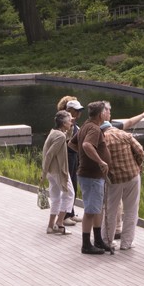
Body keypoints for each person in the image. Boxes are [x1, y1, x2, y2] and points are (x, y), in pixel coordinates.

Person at [73, 100, 114, 254]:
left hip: (92, 175)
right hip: (91, 176)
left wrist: (84, 158)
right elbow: (86, 145)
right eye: (106, 111)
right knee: (90, 210)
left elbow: (72, 143)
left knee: (96, 208)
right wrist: (100, 161)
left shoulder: (85, 126)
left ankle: (98, 240)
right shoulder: (94, 129)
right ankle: (86, 244)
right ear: (100, 114)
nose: (108, 113)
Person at [101, 121, 144, 252]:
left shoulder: (102, 139)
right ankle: (126, 243)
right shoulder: (125, 135)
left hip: (114, 179)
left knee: (111, 210)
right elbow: (140, 151)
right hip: (132, 176)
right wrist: (138, 165)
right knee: (131, 209)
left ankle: (107, 241)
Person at [41, 110, 75, 235]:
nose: (71, 122)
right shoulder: (60, 136)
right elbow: (50, 154)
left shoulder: (54, 133)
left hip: (51, 171)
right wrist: (43, 173)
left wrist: (45, 172)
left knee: (55, 198)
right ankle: (59, 223)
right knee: (69, 194)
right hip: (58, 171)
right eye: (69, 121)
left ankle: (50, 226)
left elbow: (68, 137)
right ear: (63, 123)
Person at [56, 96, 83, 226]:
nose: (78, 114)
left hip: (74, 157)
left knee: (74, 184)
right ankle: (65, 215)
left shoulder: (74, 124)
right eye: (76, 111)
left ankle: (71, 213)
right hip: (66, 157)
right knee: (68, 188)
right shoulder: (64, 124)